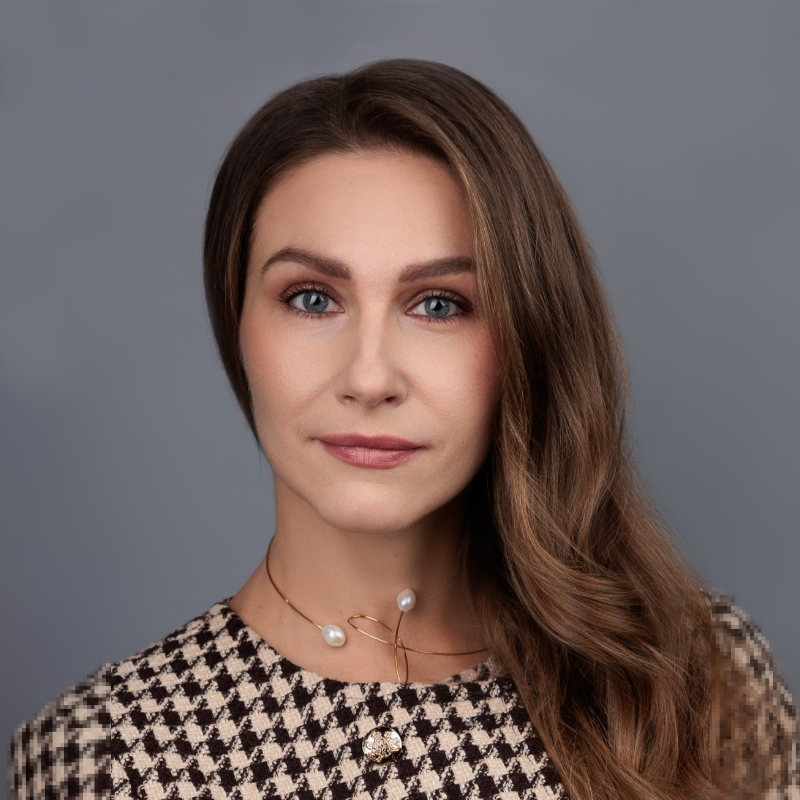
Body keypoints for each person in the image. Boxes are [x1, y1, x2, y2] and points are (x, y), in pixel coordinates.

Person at [7, 58, 798, 800]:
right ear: (236, 323)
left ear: (527, 337)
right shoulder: (102, 755)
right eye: (312, 299)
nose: (369, 377)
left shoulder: (697, 678)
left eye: (439, 305)